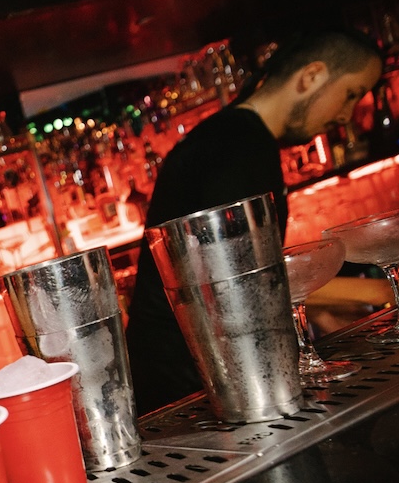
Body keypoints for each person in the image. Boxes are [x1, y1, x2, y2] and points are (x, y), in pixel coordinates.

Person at [125, 29, 382, 415]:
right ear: (311, 76)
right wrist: (375, 295)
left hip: (187, 369)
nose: (346, 114)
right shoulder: (242, 148)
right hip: (194, 382)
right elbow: (244, 286)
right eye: (350, 93)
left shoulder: (231, 137)